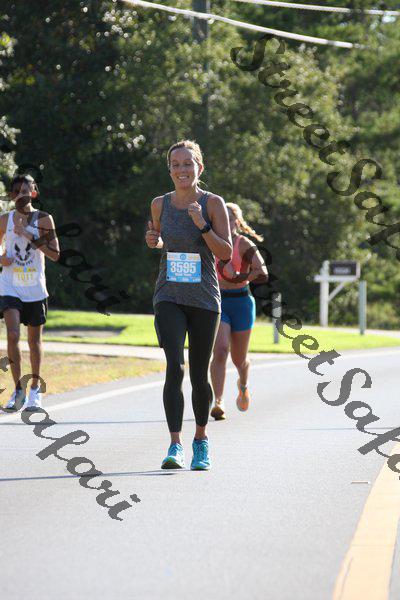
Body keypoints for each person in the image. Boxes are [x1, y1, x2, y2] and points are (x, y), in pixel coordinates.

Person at [145, 140, 232, 471]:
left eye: (188, 164)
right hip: (168, 294)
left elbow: (225, 253)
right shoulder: (159, 204)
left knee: (198, 373)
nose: (182, 170)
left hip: (204, 299)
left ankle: (201, 440)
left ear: (199, 168)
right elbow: (158, 239)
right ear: (169, 170)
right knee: (174, 366)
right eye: (176, 164)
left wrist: (202, 225)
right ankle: (175, 445)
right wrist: (153, 241)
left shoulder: (212, 203)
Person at [0, 174, 60, 412]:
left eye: (25, 191)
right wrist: (1, 259)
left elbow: (55, 254)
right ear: (11, 195)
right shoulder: (4, 220)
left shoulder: (43, 219)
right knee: (13, 334)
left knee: (34, 342)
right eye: (16, 192)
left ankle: (35, 390)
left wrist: (28, 234)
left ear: (33, 193)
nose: (21, 195)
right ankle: (18, 390)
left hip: (35, 288)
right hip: (10, 286)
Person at [210, 202, 268, 420]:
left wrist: (239, 277)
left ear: (237, 222)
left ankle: (243, 383)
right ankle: (218, 401)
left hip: (241, 302)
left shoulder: (243, 244)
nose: (227, 222)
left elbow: (262, 272)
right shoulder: (210, 242)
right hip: (218, 302)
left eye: (231, 218)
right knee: (220, 351)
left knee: (239, 359)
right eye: (222, 218)